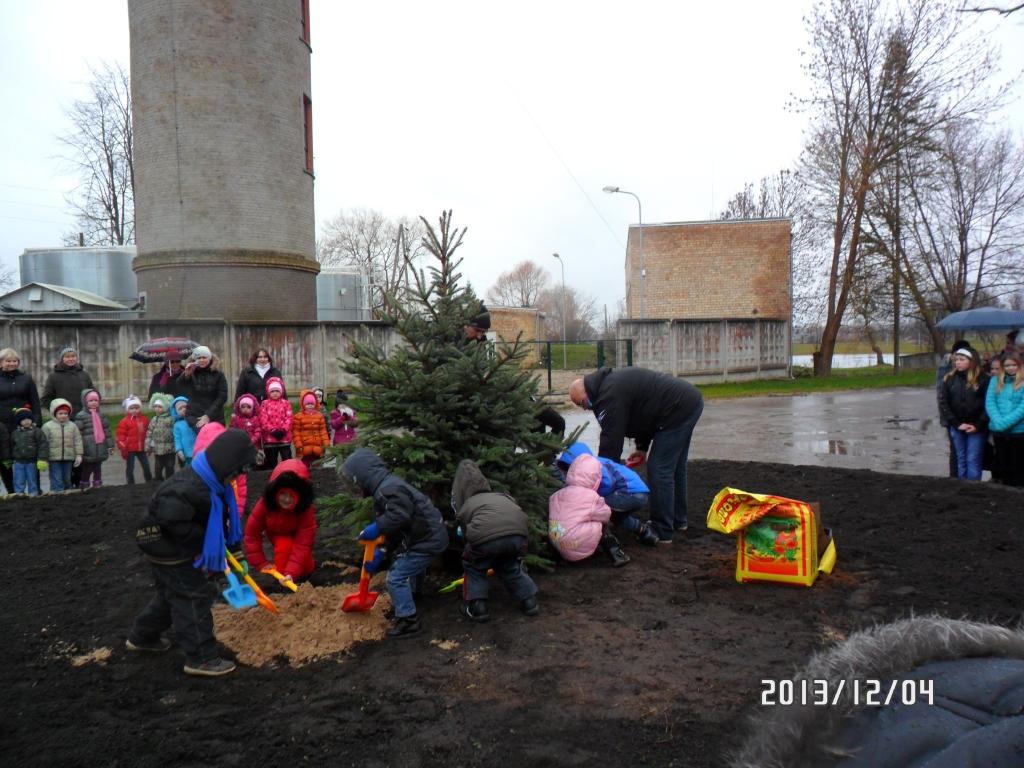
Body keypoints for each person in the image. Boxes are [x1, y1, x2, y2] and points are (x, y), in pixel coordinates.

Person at [129, 428, 256, 677]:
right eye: (237, 471)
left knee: (171, 594)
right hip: (165, 547)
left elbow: (222, 523)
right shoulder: (186, 487)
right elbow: (173, 521)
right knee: (193, 597)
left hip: (169, 544)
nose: (237, 477)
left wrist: (233, 552)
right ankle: (201, 658)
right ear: (226, 464)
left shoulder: (213, 482)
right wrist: (203, 544)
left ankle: (142, 636)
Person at [569, 366, 703, 543]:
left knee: (659, 468)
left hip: (676, 409)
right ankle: (678, 520)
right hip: (686, 402)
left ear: (586, 391)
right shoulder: (608, 386)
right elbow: (643, 415)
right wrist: (641, 447)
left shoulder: (608, 395)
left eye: (581, 403)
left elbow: (611, 441)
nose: (584, 408)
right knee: (675, 467)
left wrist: (601, 478)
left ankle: (662, 530)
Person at [341, 448, 449, 638]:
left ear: (363, 477)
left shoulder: (388, 489)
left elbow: (400, 517)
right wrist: (382, 550)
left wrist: (376, 527)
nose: (354, 488)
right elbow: (396, 527)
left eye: (354, 481)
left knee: (396, 577)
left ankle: (409, 621)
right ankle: (414, 595)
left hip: (428, 540)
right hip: (427, 537)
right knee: (411, 564)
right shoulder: (384, 489)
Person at [451, 459, 539, 623]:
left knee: (474, 566)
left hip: (486, 540)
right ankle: (530, 602)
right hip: (518, 535)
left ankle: (478, 608)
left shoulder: (467, 505)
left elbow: (466, 536)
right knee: (509, 565)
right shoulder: (502, 496)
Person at [557, 442, 660, 547]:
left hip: (630, 492)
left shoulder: (595, 466)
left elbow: (609, 483)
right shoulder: (597, 462)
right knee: (617, 518)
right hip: (638, 492)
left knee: (596, 509)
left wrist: (595, 496)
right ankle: (646, 533)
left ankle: (609, 543)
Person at [243, 458, 318, 582]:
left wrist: (292, 572)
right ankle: (283, 578)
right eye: (283, 494)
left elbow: (303, 543)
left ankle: (295, 575)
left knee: (307, 566)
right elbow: (252, 534)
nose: (287, 500)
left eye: (291, 496)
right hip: (276, 533)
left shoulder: (305, 509)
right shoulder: (266, 504)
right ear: (275, 492)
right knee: (284, 546)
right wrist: (261, 563)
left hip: (298, 536)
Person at [548, 452, 617, 564]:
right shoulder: (591, 497)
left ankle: (559, 556)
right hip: (574, 544)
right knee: (600, 522)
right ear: (596, 478)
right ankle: (614, 552)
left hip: (556, 541)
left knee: (564, 521)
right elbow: (606, 514)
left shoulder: (557, 494)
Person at [40, 346, 93, 489]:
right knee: (64, 453)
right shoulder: (53, 376)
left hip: (82, 420)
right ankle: (60, 485)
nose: (70, 359)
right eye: (67, 357)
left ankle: (78, 482)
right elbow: (45, 398)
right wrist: (58, 411)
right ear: (62, 359)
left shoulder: (84, 375)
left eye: (73, 356)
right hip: (63, 422)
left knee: (80, 452)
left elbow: (91, 394)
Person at [938, 344, 990, 480]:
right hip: (957, 426)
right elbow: (943, 403)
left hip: (976, 427)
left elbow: (987, 404)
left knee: (973, 458)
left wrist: (978, 425)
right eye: (956, 360)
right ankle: (962, 488)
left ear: (971, 361)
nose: (958, 362)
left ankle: (974, 488)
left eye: (962, 359)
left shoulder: (983, 379)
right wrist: (955, 423)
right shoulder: (949, 378)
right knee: (960, 459)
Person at [0, 348, 41, 493]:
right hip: (3, 426)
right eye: (8, 361)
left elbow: (35, 401)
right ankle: (12, 491)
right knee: (6, 458)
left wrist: (37, 421)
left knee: (29, 456)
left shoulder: (26, 379)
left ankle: (35, 490)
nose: (12, 363)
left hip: (25, 424)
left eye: (15, 361)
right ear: (1, 363)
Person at [985, 351, 1024, 487]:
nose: (1011, 368)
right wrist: (999, 422)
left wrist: (1005, 423)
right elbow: (990, 402)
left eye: (1014, 365)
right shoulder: (995, 380)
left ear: (1019, 365)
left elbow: (1022, 408)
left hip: (1019, 432)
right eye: (1007, 365)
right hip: (999, 431)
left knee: (1018, 467)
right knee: (1003, 467)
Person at [178, 346, 228, 429]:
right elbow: (180, 385)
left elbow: (222, 397)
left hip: (215, 415)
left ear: (209, 358)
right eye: (199, 358)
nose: (201, 360)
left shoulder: (218, 374)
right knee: (202, 439)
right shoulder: (191, 371)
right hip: (195, 415)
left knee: (216, 440)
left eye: (204, 357)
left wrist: (209, 415)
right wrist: (186, 374)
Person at [74, 388, 114, 489]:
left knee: (98, 467)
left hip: (100, 446)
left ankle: (97, 483)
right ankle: (84, 484)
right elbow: (78, 433)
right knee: (87, 468)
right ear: (85, 402)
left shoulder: (101, 415)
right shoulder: (81, 416)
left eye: (96, 400)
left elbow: (107, 431)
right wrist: (79, 449)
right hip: (88, 447)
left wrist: (110, 446)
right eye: (91, 401)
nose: (93, 403)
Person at [41, 398, 83, 492]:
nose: (63, 416)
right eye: (60, 413)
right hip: (53, 458)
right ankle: (57, 493)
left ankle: (67, 492)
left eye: (65, 413)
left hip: (68, 457)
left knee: (67, 477)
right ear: (54, 413)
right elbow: (44, 443)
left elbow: (77, 440)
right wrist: (43, 458)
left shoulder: (72, 426)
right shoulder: (47, 426)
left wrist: (79, 454)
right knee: (56, 477)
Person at [10, 406, 47, 495]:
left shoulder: (37, 431)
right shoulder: (15, 433)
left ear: (32, 420)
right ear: (19, 421)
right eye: (23, 420)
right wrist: (11, 458)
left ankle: (33, 494)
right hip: (18, 462)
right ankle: (19, 494)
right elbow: (11, 446)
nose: (26, 421)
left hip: (32, 461)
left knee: (32, 479)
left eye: (28, 419)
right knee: (19, 479)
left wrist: (42, 459)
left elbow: (43, 445)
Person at [258, 377, 293, 470]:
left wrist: (283, 430)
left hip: (284, 438)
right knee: (271, 461)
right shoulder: (264, 404)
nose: (275, 393)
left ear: (281, 392)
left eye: (277, 391)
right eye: (272, 391)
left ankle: (288, 474)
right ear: (268, 392)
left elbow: (289, 418)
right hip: (270, 439)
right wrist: (272, 430)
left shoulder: (286, 403)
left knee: (287, 459)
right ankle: (271, 476)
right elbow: (263, 419)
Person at [117, 395, 153, 484]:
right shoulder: (124, 421)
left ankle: (149, 481)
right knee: (130, 467)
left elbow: (149, 431)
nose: (134, 410)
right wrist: (123, 445)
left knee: (146, 465)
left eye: (136, 408)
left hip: (141, 448)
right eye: (131, 408)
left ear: (140, 408)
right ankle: (130, 483)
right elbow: (121, 435)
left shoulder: (144, 420)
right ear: (127, 409)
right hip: (130, 449)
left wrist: (150, 444)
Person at [292, 389, 330, 467]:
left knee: (317, 467)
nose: (310, 405)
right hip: (304, 448)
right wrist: (298, 444)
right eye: (307, 404)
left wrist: (326, 443)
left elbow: (323, 431)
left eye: (312, 404)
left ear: (315, 404)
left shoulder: (319, 416)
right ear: (303, 404)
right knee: (303, 467)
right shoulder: (298, 416)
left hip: (317, 447)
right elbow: (296, 432)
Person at [146, 393, 177, 481]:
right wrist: (148, 447)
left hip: (170, 449)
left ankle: (170, 482)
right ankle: (158, 480)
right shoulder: (154, 419)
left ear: (167, 407)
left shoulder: (171, 419)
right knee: (158, 466)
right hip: (158, 449)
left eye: (160, 406)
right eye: (155, 406)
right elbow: (149, 433)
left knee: (170, 467)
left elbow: (176, 432)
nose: (157, 409)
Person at [229, 394, 263, 465]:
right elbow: (232, 430)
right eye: (243, 407)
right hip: (241, 444)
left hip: (254, 445)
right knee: (242, 461)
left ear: (253, 408)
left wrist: (252, 440)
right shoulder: (236, 419)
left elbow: (258, 431)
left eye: (248, 407)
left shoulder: (255, 419)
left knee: (254, 461)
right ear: (239, 408)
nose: (245, 409)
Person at [171, 395, 197, 467]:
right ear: (176, 412)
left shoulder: (194, 419)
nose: (183, 409)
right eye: (180, 408)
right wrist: (179, 450)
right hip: (186, 452)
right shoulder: (177, 425)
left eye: (185, 407)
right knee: (188, 469)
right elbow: (177, 439)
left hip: (198, 449)